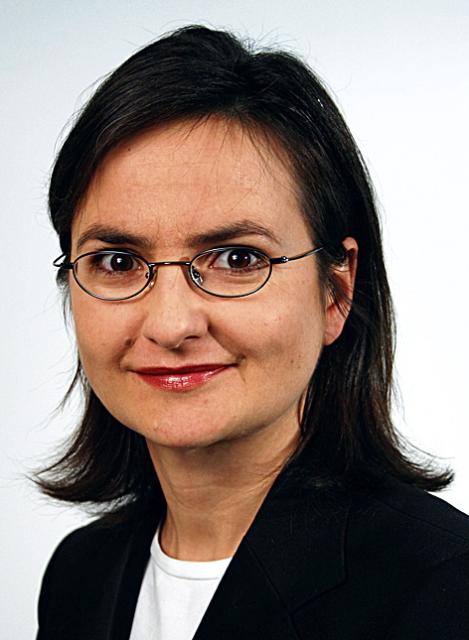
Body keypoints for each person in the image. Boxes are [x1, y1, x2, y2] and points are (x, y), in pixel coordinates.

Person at [35, 25, 469, 640]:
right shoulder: (79, 575)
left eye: (237, 259)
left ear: (336, 291)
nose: (171, 324)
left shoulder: (442, 585)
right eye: (118, 261)